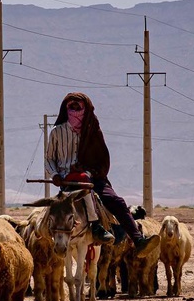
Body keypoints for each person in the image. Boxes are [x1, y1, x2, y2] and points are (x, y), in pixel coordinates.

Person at [44, 92, 160, 256]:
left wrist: (88, 171)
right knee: (51, 215)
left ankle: (138, 240)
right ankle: (47, 239)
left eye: (79, 107)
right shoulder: (57, 132)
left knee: (117, 201)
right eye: (72, 107)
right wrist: (55, 175)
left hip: (94, 177)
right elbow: (49, 158)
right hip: (66, 181)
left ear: (86, 109)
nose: (75, 110)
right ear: (66, 109)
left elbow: (102, 160)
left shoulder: (93, 131)